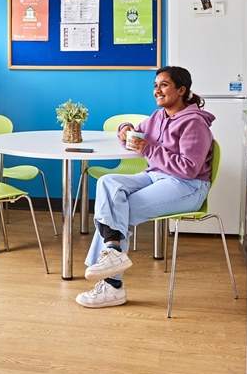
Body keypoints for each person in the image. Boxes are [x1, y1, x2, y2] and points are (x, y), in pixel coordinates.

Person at [75, 66, 215, 308]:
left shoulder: (194, 124)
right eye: (155, 85)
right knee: (108, 182)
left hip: (187, 185)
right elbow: (134, 133)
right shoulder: (159, 116)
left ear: (181, 90)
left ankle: (112, 286)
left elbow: (189, 168)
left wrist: (148, 149)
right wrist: (125, 129)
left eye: (164, 85)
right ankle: (113, 253)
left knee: (117, 210)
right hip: (156, 176)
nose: (157, 90)